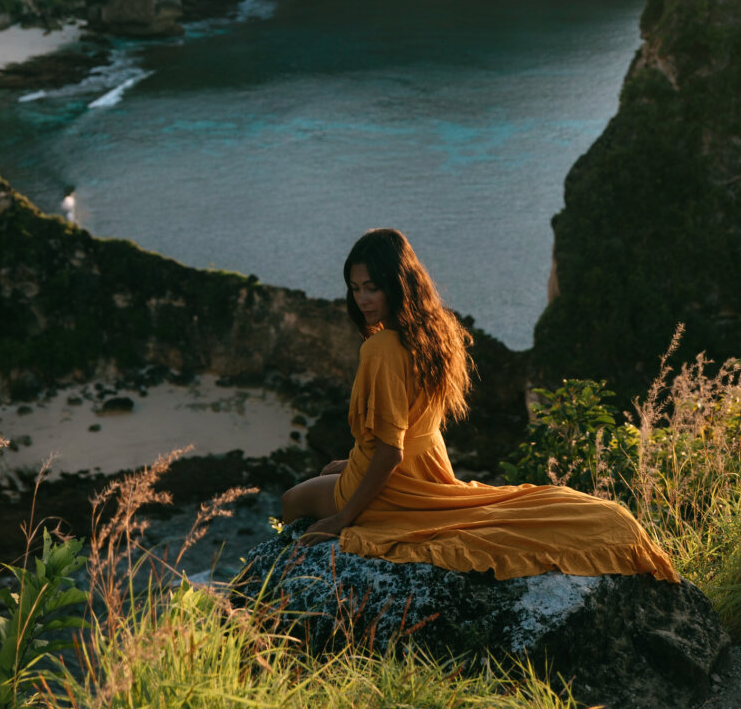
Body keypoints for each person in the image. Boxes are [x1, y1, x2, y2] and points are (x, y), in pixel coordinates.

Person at [281, 228, 679, 581]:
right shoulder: (436, 331)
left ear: (397, 283)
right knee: (327, 473)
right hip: (431, 471)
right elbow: (410, 428)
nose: (363, 299)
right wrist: (353, 461)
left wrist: (342, 519)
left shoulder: (381, 348)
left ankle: (281, 587)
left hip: (395, 484)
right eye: (355, 288)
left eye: (372, 287)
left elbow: (389, 451)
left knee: (291, 501)